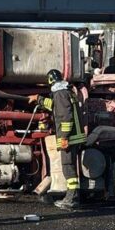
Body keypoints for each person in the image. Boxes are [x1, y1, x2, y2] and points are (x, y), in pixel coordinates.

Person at [32, 69, 86, 209]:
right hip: (76, 136)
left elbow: (65, 117)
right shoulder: (67, 92)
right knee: (71, 166)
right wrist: (39, 99)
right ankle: (74, 196)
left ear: (50, 80)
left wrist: (64, 137)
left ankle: (71, 198)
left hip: (69, 137)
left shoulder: (59, 94)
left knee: (68, 167)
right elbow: (56, 106)